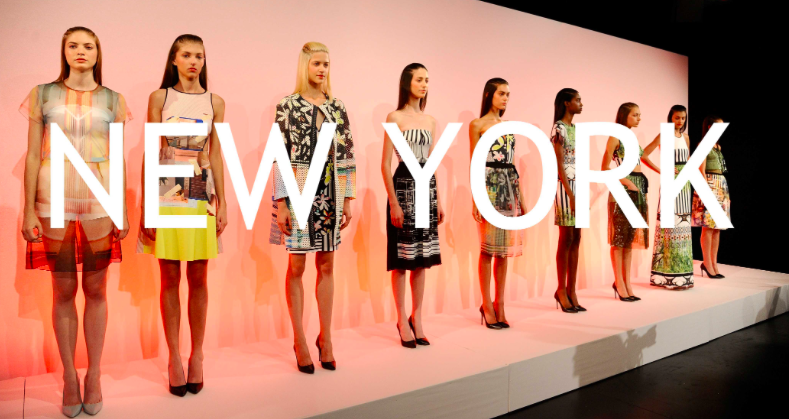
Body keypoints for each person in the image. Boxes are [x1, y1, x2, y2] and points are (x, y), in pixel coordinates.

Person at [20, 26, 131, 417]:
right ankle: (69, 376)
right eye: (73, 45)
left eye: (88, 46)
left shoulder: (114, 99)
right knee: (63, 290)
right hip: (53, 198)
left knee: (97, 289)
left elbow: (117, 157)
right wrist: (28, 209)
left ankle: (94, 374)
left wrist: (122, 208)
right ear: (63, 51)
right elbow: (32, 155)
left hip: (99, 200)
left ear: (98, 53)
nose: (80, 51)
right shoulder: (42, 94)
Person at [137, 34, 228, 396]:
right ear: (174, 59)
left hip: (200, 182)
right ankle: (174, 356)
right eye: (187, 55)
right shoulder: (160, 98)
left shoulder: (215, 101)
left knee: (199, 274)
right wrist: (146, 204)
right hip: (168, 183)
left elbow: (216, 153)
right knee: (170, 274)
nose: (193, 61)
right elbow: (151, 150)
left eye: (199, 56)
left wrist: (224, 203)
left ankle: (197, 355)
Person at [270, 42, 356, 372]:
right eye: (317, 63)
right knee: (296, 266)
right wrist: (281, 204)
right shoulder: (288, 105)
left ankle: (327, 338)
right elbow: (279, 153)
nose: (322, 69)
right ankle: (299, 339)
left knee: (328, 264)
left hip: (331, 188)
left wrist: (346, 198)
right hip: (299, 185)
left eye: (326, 64)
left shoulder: (337, 106)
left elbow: (347, 152)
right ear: (305, 65)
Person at [381, 63, 444, 348]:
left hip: (426, 188)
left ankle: (417, 317)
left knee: (421, 260)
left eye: (427, 80)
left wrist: (437, 199)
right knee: (402, 260)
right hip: (404, 185)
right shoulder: (394, 117)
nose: (424, 84)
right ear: (408, 82)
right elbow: (385, 164)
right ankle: (401, 318)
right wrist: (394, 202)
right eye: (419, 79)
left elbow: (431, 163)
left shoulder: (430, 120)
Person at [469, 78, 526, 329]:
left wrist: (521, 197)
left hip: (509, 188)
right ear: (489, 94)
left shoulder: (508, 126)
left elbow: (512, 163)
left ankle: (500, 303)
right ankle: (486, 304)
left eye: (508, 95)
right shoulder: (477, 124)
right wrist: (476, 198)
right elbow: (474, 162)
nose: (505, 99)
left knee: (503, 250)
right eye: (501, 93)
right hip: (489, 187)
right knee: (487, 249)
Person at [643, 105, 694, 289]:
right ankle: (665, 277)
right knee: (669, 226)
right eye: (676, 117)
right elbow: (644, 154)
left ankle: (683, 276)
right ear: (670, 118)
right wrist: (662, 170)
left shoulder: (686, 138)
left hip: (684, 185)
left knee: (682, 226)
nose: (680, 121)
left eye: (683, 118)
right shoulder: (664, 134)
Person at [550, 88, 584, 312]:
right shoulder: (559, 128)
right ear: (566, 103)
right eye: (577, 100)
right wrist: (570, 194)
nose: (581, 104)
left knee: (577, 237)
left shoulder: (576, 129)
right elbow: (559, 163)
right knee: (566, 237)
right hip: (564, 186)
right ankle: (561, 289)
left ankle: (572, 289)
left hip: (579, 184)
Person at [691, 115, 731, 278]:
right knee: (707, 227)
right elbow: (700, 170)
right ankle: (707, 262)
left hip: (721, 184)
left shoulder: (717, 146)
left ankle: (714, 263)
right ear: (709, 127)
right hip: (710, 183)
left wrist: (725, 195)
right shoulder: (704, 144)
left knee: (717, 228)